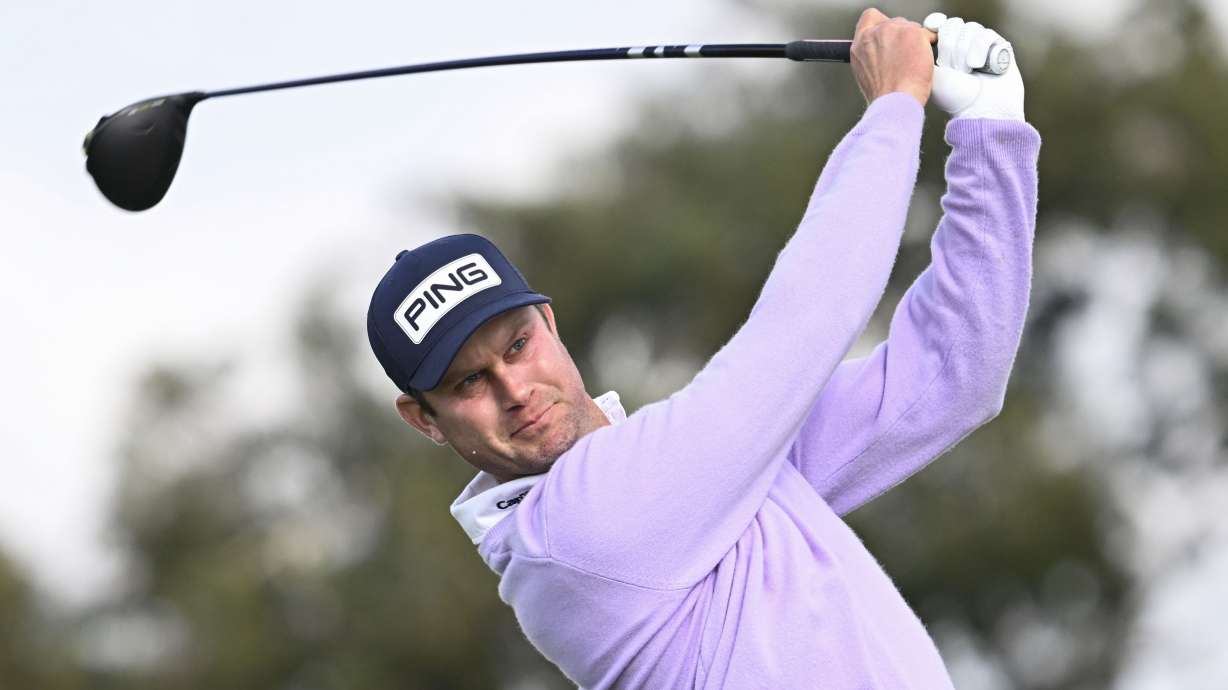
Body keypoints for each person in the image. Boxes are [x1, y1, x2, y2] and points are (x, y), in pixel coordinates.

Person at [366, 8, 1039, 689]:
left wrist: (991, 133)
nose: (514, 390)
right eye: (467, 384)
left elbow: (951, 377)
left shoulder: (707, 478)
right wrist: (894, 106)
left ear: (548, 322)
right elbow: (801, 330)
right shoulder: (569, 534)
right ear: (424, 418)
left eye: (516, 346)